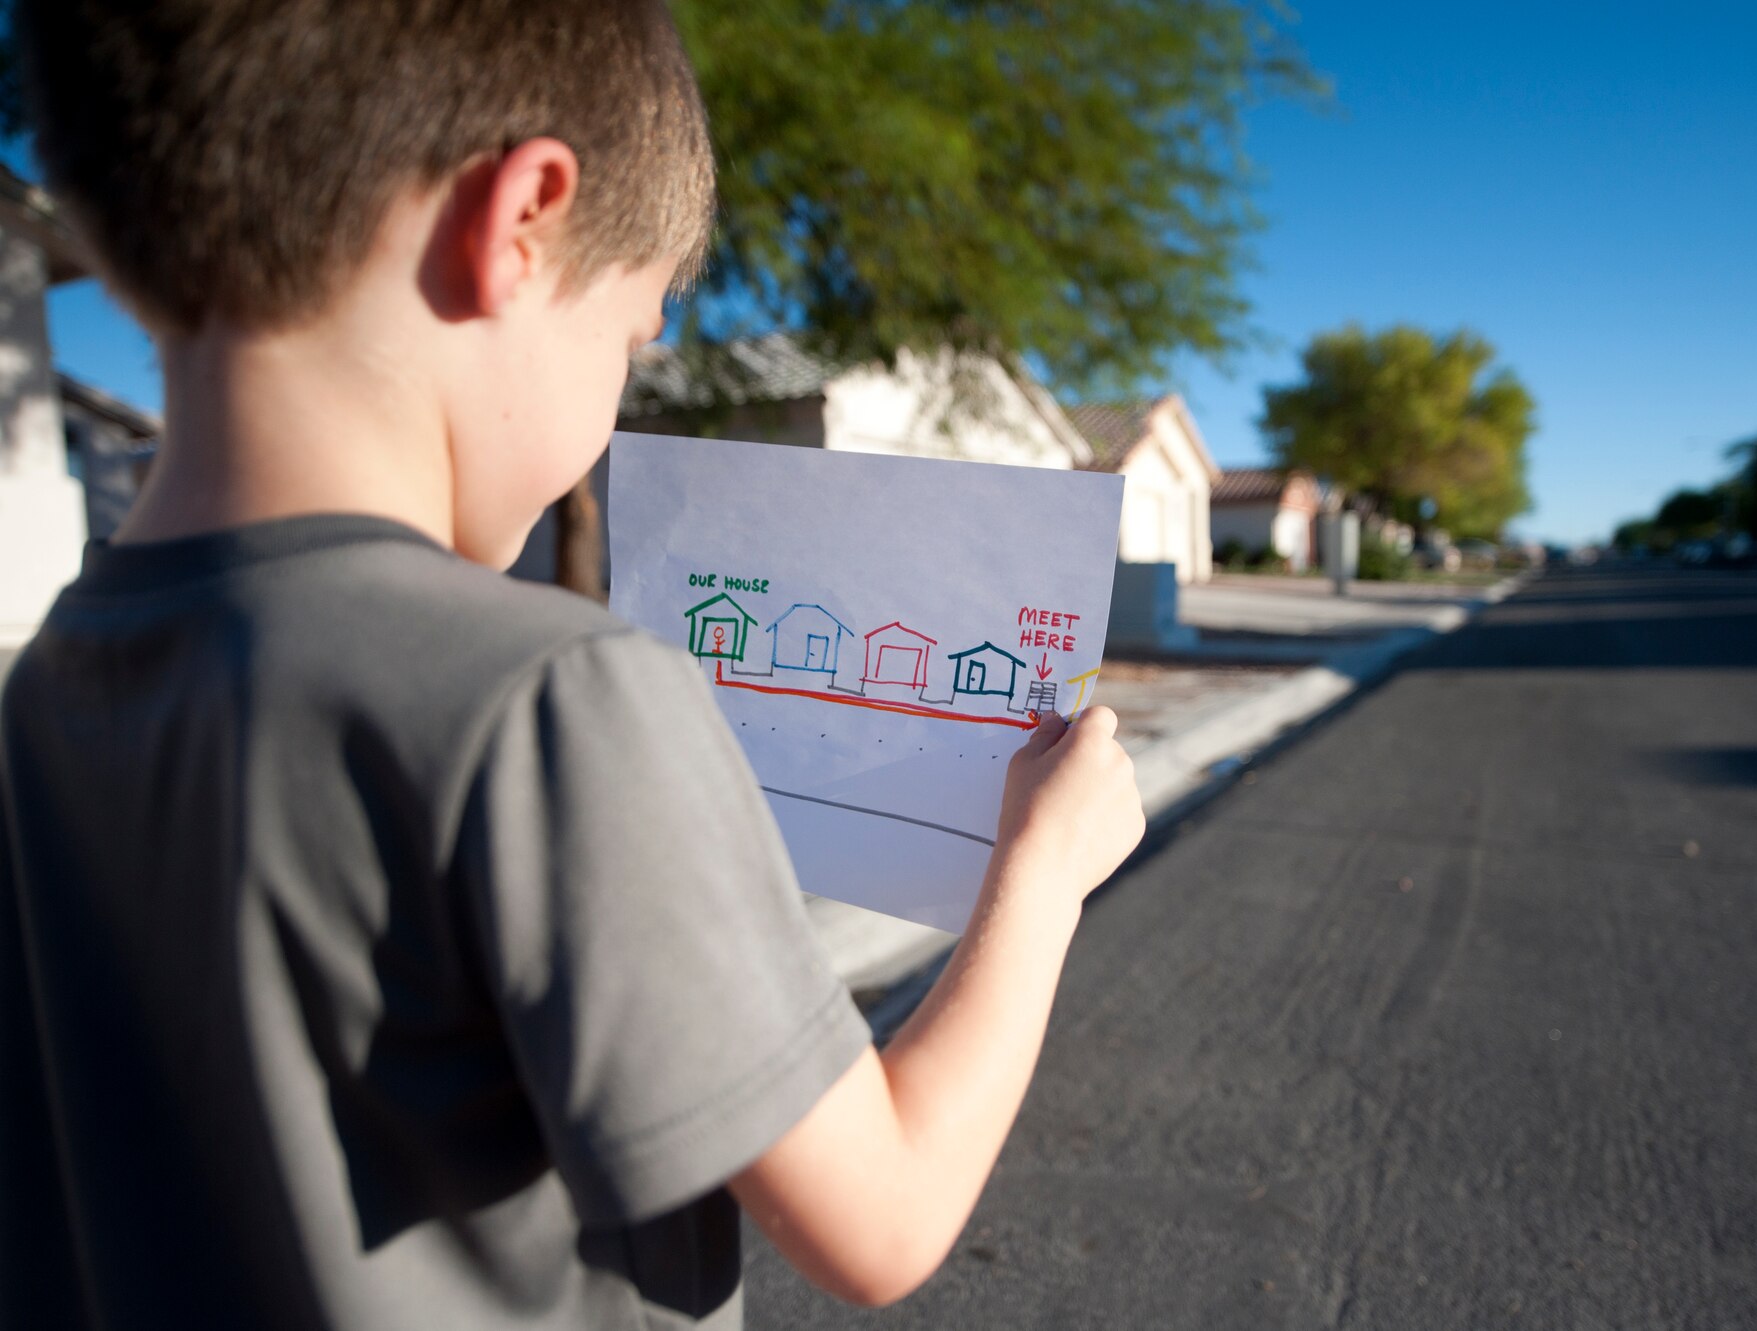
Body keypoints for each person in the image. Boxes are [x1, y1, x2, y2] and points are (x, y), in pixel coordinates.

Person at [0, 2, 1145, 1326]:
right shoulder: (549, 698)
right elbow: (881, 1221)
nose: (612, 390)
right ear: (523, 221)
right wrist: (1045, 873)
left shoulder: (44, 692)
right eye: (631, 332)